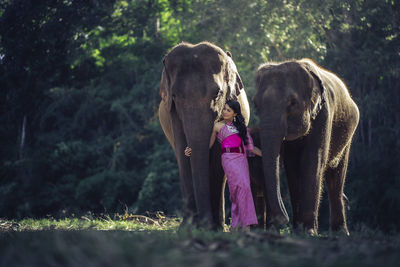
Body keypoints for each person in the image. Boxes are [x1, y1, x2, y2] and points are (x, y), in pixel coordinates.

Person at [184, 99, 262, 232]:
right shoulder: (217, 126)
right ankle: (244, 226)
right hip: (228, 159)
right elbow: (208, 145)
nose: (225, 112)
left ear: (235, 114)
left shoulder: (242, 129)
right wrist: (191, 150)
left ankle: (239, 225)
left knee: (244, 188)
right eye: (224, 109)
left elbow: (251, 148)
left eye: (228, 110)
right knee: (238, 187)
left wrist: (268, 155)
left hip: (241, 159)